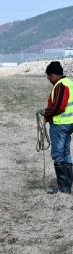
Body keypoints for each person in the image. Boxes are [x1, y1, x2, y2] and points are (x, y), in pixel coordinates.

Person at [38, 61, 73, 194]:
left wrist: (45, 112)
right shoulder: (70, 83)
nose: (48, 78)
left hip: (60, 124)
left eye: (49, 76)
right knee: (65, 153)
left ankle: (64, 189)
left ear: (54, 75)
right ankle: (68, 185)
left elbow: (59, 107)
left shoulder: (61, 85)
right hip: (70, 123)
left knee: (58, 154)